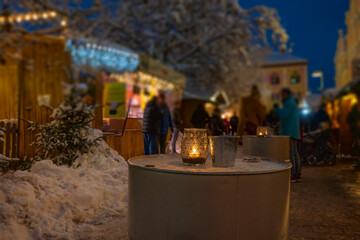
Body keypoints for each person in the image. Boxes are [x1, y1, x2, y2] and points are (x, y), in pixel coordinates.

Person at [276, 88, 301, 182]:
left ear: (285, 94)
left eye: (282, 94)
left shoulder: (289, 103)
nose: (281, 96)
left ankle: (293, 174)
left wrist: (277, 108)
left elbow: (283, 115)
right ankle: (298, 173)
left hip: (289, 131)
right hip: (294, 131)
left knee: (291, 153)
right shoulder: (292, 102)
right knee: (295, 152)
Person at [347, 98, 360, 168]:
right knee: (357, 147)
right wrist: (355, 124)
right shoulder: (353, 113)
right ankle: (358, 161)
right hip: (356, 132)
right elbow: (348, 120)